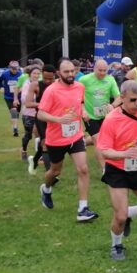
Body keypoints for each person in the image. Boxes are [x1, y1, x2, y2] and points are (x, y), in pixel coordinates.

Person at [96, 80, 137, 260]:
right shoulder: (112, 120)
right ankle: (116, 245)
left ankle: (129, 214)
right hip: (117, 170)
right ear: (122, 98)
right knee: (119, 217)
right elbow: (104, 151)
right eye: (133, 100)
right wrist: (123, 154)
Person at [37, 58, 99, 221]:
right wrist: (58, 119)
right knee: (55, 171)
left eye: (72, 71)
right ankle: (46, 189)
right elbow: (40, 114)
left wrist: (83, 111)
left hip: (76, 135)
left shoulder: (79, 86)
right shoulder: (51, 90)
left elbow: (81, 102)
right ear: (59, 73)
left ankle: (83, 209)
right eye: (66, 72)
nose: (71, 74)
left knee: (83, 169)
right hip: (56, 139)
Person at [79, 59, 121, 171]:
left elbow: (119, 97)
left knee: (107, 139)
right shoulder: (84, 80)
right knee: (98, 141)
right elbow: (77, 97)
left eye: (104, 70)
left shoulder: (110, 79)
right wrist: (83, 110)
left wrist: (113, 105)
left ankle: (82, 142)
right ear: (94, 69)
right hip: (90, 116)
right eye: (100, 70)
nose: (102, 73)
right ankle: (104, 169)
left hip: (105, 116)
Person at [27, 65, 56, 174]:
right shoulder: (35, 85)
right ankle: (51, 174)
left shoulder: (58, 84)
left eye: (50, 79)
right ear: (42, 74)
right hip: (41, 117)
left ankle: (34, 160)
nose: (48, 81)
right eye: (45, 78)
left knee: (51, 143)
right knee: (45, 143)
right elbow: (28, 103)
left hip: (55, 118)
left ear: (54, 76)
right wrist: (44, 105)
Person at [0, 60, 23, 137]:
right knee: (13, 111)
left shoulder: (21, 75)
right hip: (8, 97)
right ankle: (15, 128)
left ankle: (15, 124)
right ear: (10, 68)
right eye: (13, 68)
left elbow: (24, 83)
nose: (14, 70)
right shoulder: (5, 74)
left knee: (17, 113)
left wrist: (22, 88)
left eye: (16, 68)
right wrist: (0, 87)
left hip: (18, 97)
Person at [20, 66, 41, 161]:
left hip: (39, 113)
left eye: (38, 73)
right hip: (28, 114)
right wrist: (34, 98)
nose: (36, 75)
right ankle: (24, 150)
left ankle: (39, 155)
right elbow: (24, 100)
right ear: (30, 74)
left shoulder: (40, 84)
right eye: (34, 73)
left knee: (39, 134)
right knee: (28, 135)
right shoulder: (27, 84)